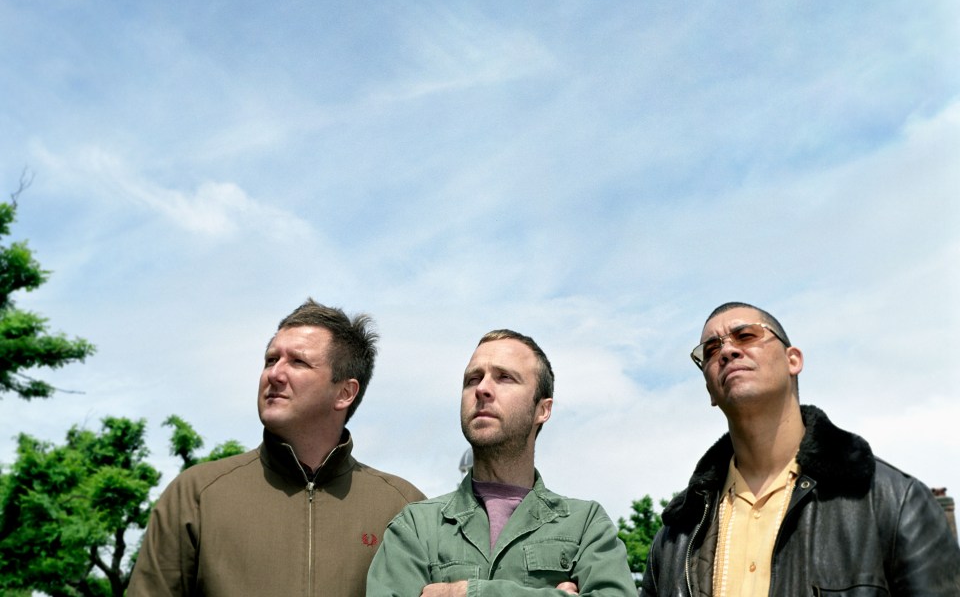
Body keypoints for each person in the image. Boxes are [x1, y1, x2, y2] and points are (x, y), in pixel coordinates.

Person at [640, 302, 960, 596]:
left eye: (746, 336)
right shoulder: (675, 538)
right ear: (709, 388)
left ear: (793, 360)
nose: (726, 351)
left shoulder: (894, 501)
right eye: (710, 350)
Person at [128, 299, 425, 596]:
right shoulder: (195, 496)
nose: (275, 374)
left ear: (345, 392)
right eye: (271, 360)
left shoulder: (405, 509)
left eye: (298, 362)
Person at [366, 329, 636, 597]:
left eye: (504, 377)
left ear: (542, 409)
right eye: (472, 379)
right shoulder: (416, 527)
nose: (482, 389)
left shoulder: (586, 525)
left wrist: (468, 593)